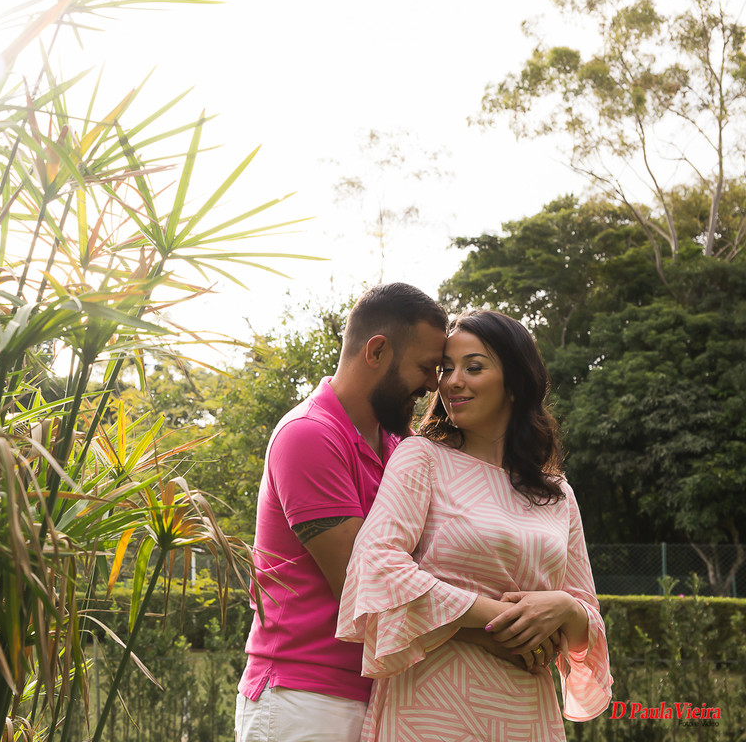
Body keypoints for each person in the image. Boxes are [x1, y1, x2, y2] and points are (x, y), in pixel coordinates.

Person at [336, 309, 612, 741]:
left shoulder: (558, 494)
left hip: (525, 715)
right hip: (430, 709)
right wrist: (500, 618)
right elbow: (376, 563)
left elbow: (587, 624)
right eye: (446, 369)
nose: (452, 382)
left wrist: (565, 608)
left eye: (474, 367)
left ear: (515, 382)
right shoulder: (421, 458)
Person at [235, 283, 449, 742]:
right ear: (377, 351)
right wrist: (493, 626)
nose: (434, 384)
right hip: (304, 699)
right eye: (425, 367)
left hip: (380, 695)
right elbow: (364, 586)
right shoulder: (309, 435)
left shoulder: (399, 446)